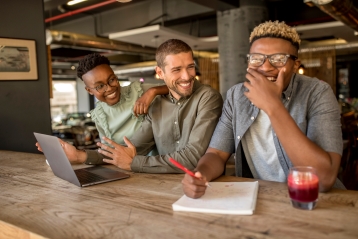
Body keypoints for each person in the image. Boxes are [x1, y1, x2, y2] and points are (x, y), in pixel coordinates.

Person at [182, 21, 344, 198]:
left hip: (313, 201)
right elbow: (217, 154)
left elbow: (324, 178)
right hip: (258, 198)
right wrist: (201, 174)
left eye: (278, 59)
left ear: (295, 65)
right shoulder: (236, 96)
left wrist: (272, 105)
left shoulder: (318, 93)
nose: (266, 67)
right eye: (257, 58)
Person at [92, 39, 223, 173]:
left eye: (190, 67)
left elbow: (193, 157)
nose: (187, 76)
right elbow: (134, 148)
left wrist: (134, 163)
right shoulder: (157, 104)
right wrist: (83, 156)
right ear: (160, 73)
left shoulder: (208, 97)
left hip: (202, 187)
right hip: (162, 187)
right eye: (177, 70)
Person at [36, 53, 169, 163]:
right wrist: (76, 154)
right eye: (100, 86)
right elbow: (109, 154)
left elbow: (178, 88)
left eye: (111, 80)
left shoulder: (138, 91)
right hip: (127, 170)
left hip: (156, 164)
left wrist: (153, 91)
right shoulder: (100, 115)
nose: (110, 88)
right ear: (89, 90)